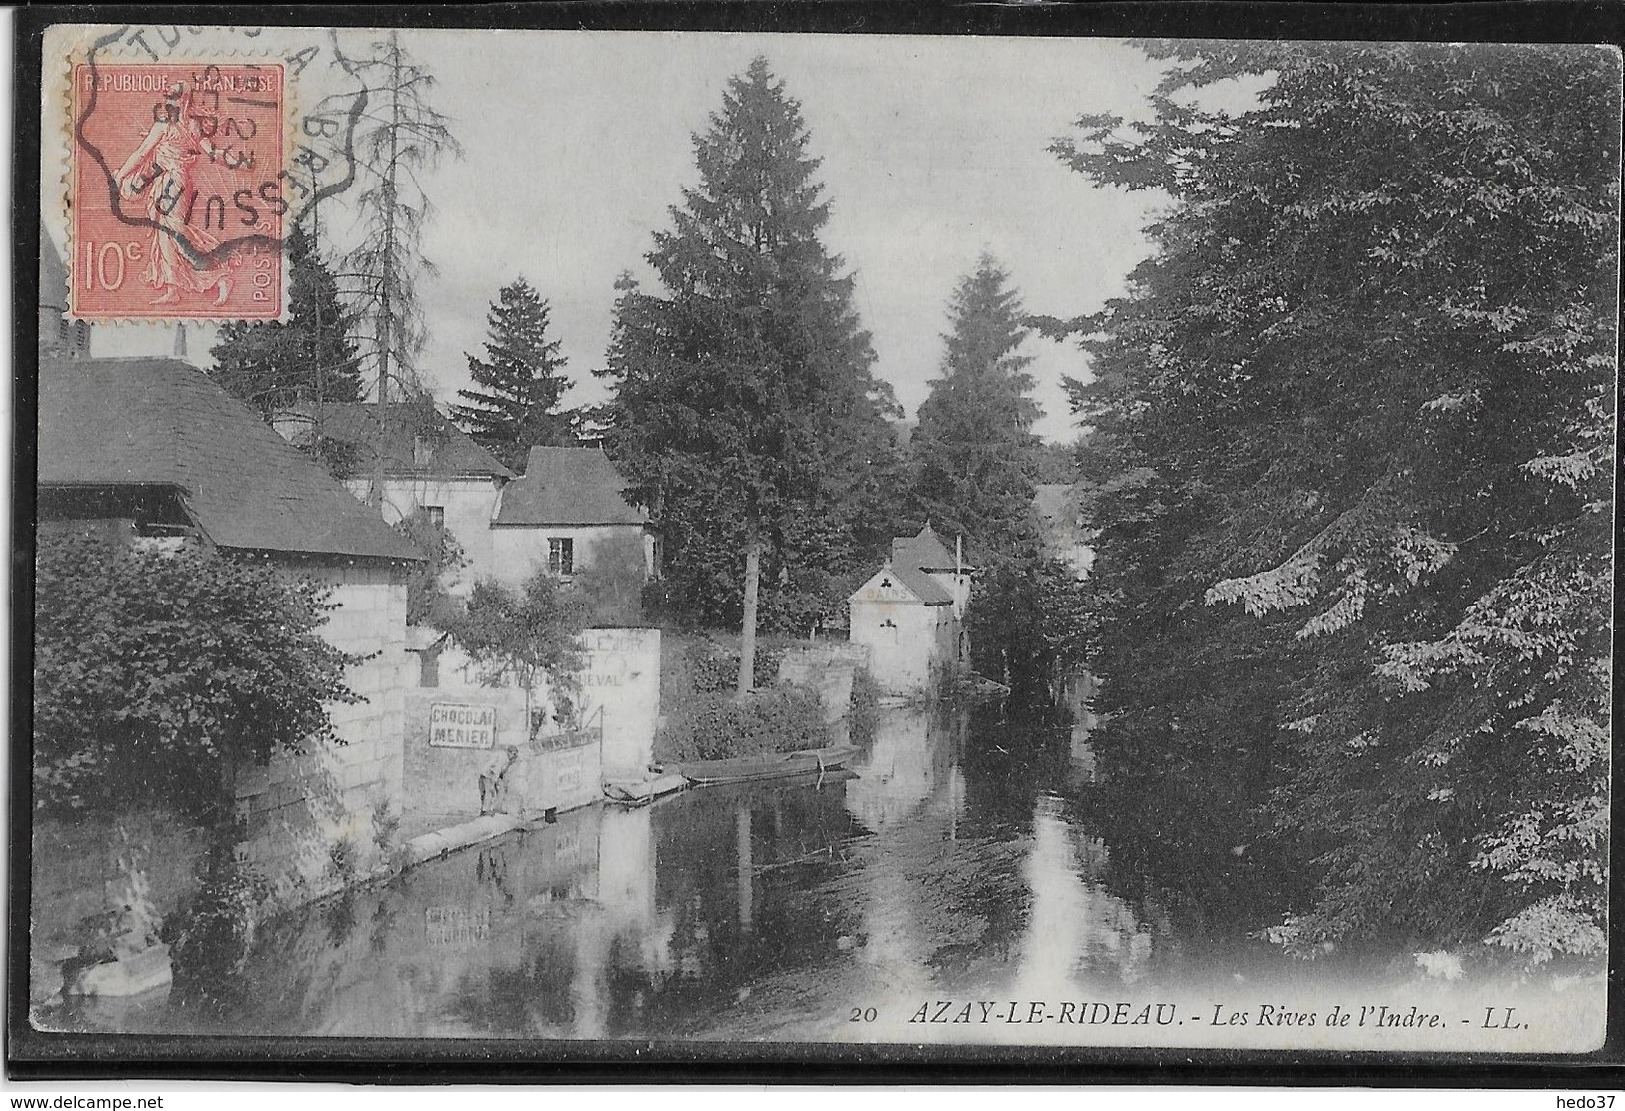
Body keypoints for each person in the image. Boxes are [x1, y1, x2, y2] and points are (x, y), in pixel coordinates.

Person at [114, 80, 233, 307]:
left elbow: (141, 154)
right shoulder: (185, 126)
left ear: (184, 101)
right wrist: (230, 159)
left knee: (176, 232)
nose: (170, 103)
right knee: (165, 236)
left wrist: (121, 176)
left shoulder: (170, 126)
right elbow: (211, 151)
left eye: (174, 99)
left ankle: (219, 274)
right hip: (167, 181)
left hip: (174, 182)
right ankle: (173, 288)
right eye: (168, 99)